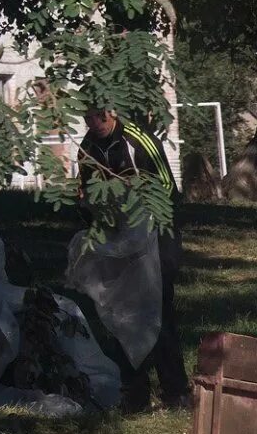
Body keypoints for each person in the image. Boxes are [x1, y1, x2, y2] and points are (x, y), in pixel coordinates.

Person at [78, 109, 189, 411]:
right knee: (122, 312)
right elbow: (86, 196)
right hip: (119, 238)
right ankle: (135, 392)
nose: (95, 124)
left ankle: (176, 391)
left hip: (158, 229)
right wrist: (100, 219)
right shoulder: (87, 148)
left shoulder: (137, 139)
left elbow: (166, 187)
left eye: (100, 116)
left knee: (160, 307)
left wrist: (136, 209)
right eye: (88, 118)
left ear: (112, 111)